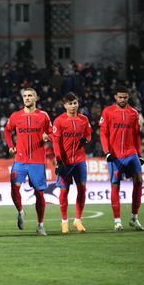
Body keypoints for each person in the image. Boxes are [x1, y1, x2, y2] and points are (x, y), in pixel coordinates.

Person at [4, 88, 51, 235]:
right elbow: (7, 131)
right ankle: (20, 211)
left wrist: (47, 136)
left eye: (30, 95)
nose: (27, 98)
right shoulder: (16, 116)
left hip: (37, 161)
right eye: (25, 96)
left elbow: (52, 132)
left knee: (39, 193)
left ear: (36, 98)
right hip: (20, 159)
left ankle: (40, 225)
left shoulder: (43, 116)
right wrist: (11, 146)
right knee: (14, 186)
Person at [99, 85, 144, 231]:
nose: (123, 99)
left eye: (125, 97)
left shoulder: (133, 113)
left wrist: (139, 154)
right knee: (115, 184)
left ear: (128, 97)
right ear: (115, 97)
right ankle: (117, 221)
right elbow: (103, 133)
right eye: (120, 97)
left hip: (131, 152)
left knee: (139, 181)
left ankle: (134, 218)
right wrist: (107, 152)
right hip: (115, 155)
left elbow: (137, 135)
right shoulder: (108, 112)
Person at [52, 92, 92, 233]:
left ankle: (78, 220)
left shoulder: (84, 120)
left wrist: (86, 140)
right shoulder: (59, 121)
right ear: (65, 105)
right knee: (64, 190)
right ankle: (64, 222)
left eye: (75, 103)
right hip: (65, 162)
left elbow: (88, 134)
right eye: (70, 104)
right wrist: (58, 160)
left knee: (82, 189)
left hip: (80, 160)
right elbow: (56, 142)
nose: (73, 106)